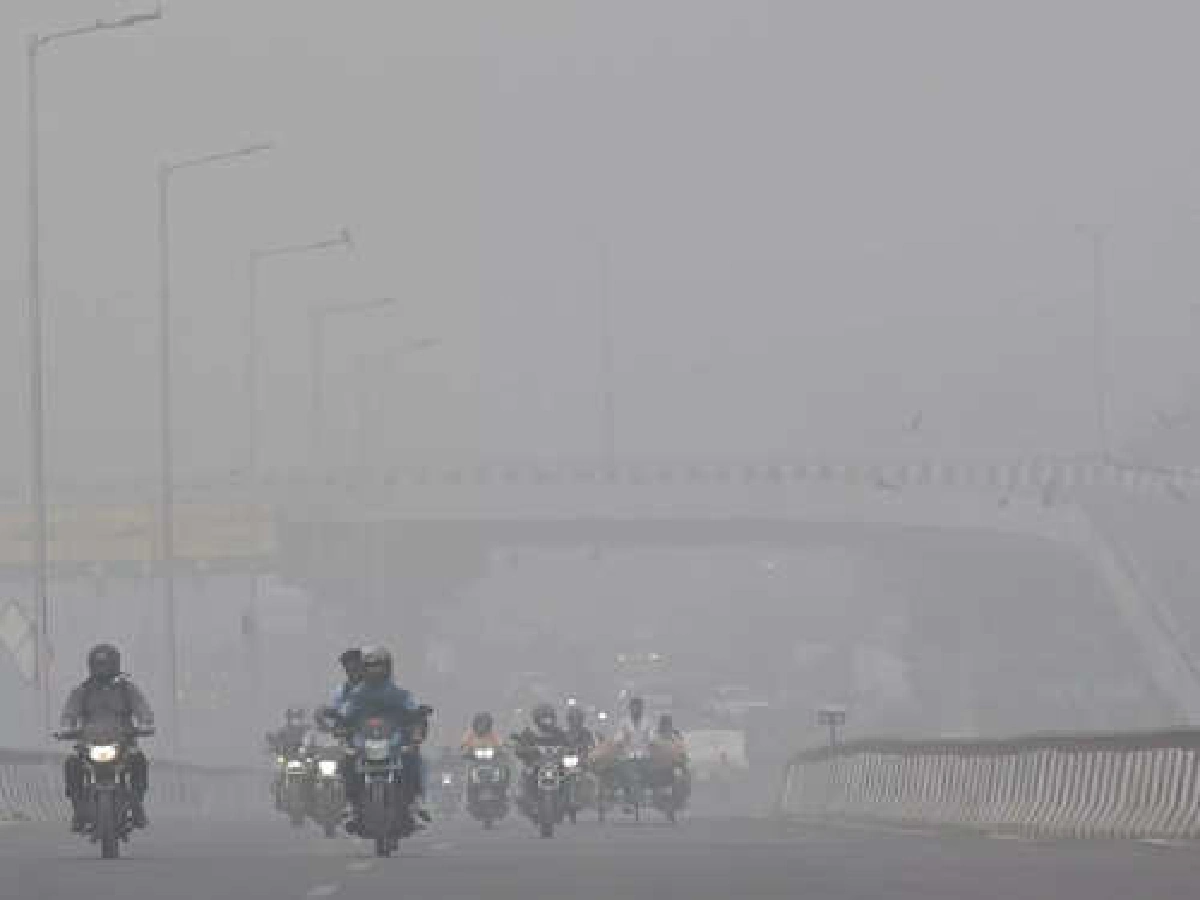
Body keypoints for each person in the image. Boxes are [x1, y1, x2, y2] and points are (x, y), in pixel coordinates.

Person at [58, 644, 154, 832]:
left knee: (138, 761)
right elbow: (70, 711)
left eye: (106, 664)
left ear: (115, 664)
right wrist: (67, 725)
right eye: (99, 665)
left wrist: (146, 722)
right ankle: (78, 809)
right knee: (72, 764)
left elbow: (142, 707)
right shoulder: (82, 691)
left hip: (122, 743)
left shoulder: (127, 690)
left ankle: (137, 804)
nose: (102, 669)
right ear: (91, 666)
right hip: (90, 744)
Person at [337, 645, 430, 829]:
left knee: (415, 759)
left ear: (387, 667)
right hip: (363, 744)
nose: (374, 670)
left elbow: (413, 712)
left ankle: (416, 803)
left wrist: (418, 719)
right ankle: (350, 804)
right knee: (346, 761)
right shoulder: (356, 695)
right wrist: (340, 724)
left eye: (378, 665)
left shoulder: (400, 694)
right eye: (370, 666)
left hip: (394, 743)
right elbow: (345, 715)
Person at [512, 703, 570, 815]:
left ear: (553, 718)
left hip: (556, 765)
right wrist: (522, 749)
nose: (547, 721)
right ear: (537, 719)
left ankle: (565, 801)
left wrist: (570, 750)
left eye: (549, 718)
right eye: (544, 718)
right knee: (526, 775)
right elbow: (520, 746)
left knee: (568, 775)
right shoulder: (529, 732)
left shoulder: (559, 733)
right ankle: (527, 800)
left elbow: (568, 745)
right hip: (535, 765)